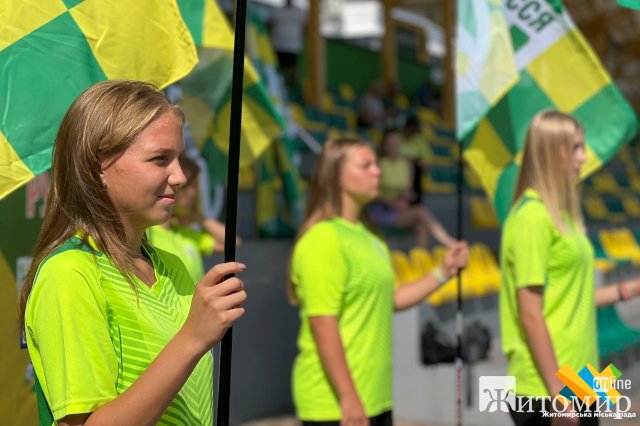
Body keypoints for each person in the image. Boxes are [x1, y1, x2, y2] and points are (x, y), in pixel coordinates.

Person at [18, 80, 247, 425]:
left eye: (179, 158)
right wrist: (193, 338)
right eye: (160, 159)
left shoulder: (172, 267)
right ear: (97, 166)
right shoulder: (71, 274)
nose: (181, 176)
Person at [288, 138, 469, 425]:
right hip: (335, 405)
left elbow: (391, 299)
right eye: (366, 165)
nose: (378, 171)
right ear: (336, 176)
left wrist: (443, 272)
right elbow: (323, 324)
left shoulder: (372, 240)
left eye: (376, 164)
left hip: (376, 397)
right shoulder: (322, 239)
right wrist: (348, 398)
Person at [500, 110, 640, 425]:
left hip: (584, 376)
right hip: (547, 387)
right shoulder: (531, 217)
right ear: (551, 151)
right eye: (576, 147)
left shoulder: (563, 218)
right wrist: (558, 394)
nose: (584, 156)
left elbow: (571, 296)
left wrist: (629, 289)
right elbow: (531, 313)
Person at [147, 153, 241, 284]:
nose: (196, 193)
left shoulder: (185, 234)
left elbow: (233, 243)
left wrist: (197, 217)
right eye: (193, 186)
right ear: (179, 189)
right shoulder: (147, 235)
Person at [368, 130, 457, 248]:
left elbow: (408, 191)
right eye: (391, 144)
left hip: (400, 209)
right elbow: (373, 194)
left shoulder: (406, 164)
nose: (394, 147)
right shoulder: (378, 165)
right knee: (421, 211)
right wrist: (390, 203)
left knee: (421, 227)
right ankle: (448, 242)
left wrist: (405, 197)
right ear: (384, 146)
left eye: (397, 144)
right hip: (382, 211)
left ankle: (420, 259)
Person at [269, 0, 308, 89]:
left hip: (293, 46)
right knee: (278, 68)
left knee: (292, 67)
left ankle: (292, 88)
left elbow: (306, 28)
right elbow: (269, 24)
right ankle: (277, 87)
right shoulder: (276, 10)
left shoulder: (300, 12)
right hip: (278, 45)